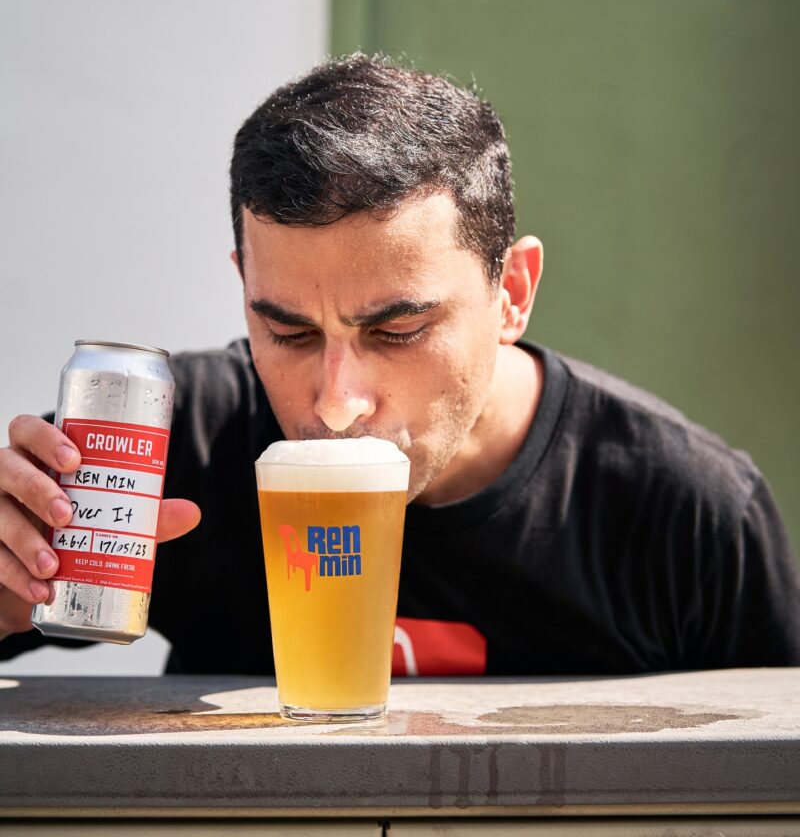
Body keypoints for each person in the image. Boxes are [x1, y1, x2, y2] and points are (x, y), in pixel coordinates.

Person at [1, 54, 799, 674]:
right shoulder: (182, 446)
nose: (337, 402)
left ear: (512, 292)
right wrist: (10, 584)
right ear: (246, 288)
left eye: (398, 331)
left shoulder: (688, 511)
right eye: (290, 333)